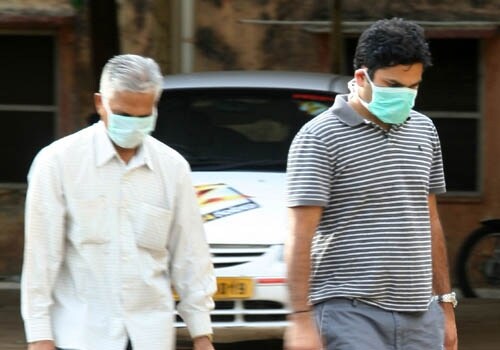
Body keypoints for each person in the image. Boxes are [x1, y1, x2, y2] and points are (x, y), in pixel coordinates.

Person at [21, 54, 217, 350]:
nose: (134, 125)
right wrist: (39, 337)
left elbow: (190, 255)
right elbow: (41, 259)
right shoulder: (58, 163)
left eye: (144, 116)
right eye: (124, 114)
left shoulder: (173, 168)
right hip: (80, 335)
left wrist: (202, 335)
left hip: (151, 335)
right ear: (100, 104)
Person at [284, 18, 458, 350]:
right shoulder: (319, 137)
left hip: (422, 316)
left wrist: (445, 306)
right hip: (348, 312)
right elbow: (299, 233)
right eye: (393, 85)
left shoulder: (424, 130)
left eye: (413, 87)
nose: (404, 96)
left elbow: (429, 221)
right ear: (362, 77)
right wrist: (300, 318)